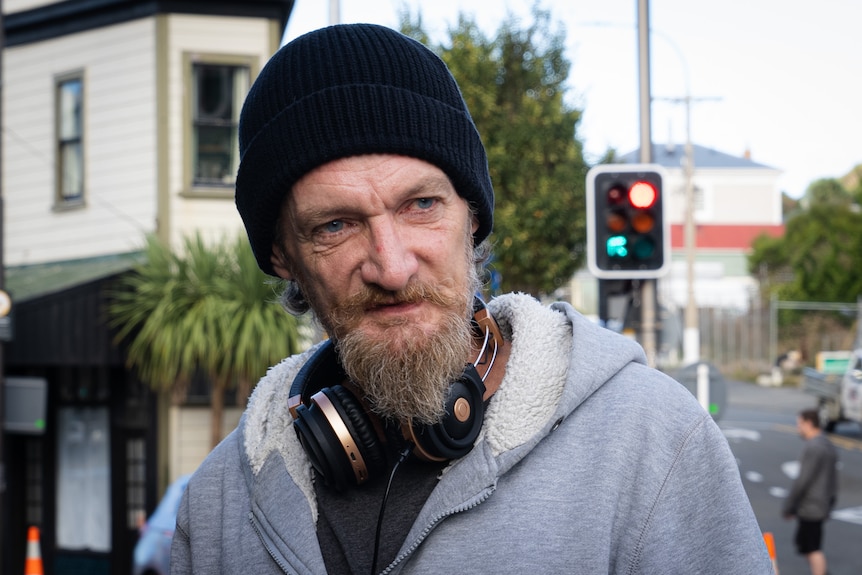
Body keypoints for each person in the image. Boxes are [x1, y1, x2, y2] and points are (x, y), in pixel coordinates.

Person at [170, 23, 773, 574]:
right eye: (335, 226)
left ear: (472, 218)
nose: (392, 264)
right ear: (282, 256)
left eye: (421, 205)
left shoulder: (651, 441)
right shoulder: (220, 501)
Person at [783, 408, 839, 575]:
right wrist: (830, 503)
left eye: (800, 424)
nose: (798, 428)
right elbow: (833, 480)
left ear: (808, 423)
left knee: (811, 547)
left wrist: (789, 506)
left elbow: (803, 480)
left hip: (811, 506)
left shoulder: (813, 447)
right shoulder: (827, 445)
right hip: (821, 505)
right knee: (808, 545)